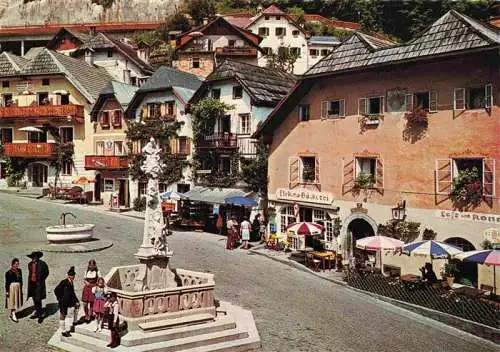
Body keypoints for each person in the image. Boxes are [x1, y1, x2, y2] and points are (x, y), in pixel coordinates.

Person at [54, 266, 80, 337]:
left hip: (68, 302)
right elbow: (56, 290)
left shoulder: (71, 282)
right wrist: (60, 299)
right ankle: (63, 331)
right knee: (63, 315)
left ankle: (72, 324)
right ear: (68, 275)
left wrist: (76, 300)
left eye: (73, 275)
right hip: (63, 302)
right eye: (71, 275)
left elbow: (72, 293)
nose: (72, 277)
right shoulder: (64, 282)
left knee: (73, 310)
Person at [26, 250, 49, 323]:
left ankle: (40, 314)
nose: (33, 258)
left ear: (38, 257)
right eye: (32, 257)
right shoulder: (29, 264)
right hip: (32, 284)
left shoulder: (42, 264)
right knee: (34, 298)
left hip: (39, 284)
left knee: (38, 299)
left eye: (35, 257)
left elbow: (46, 272)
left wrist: (41, 279)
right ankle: (37, 312)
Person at [5, 258, 23, 323]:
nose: (17, 265)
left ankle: (13, 313)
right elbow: (7, 283)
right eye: (16, 264)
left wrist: (21, 288)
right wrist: (7, 291)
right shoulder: (8, 272)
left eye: (18, 264)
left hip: (18, 287)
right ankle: (13, 314)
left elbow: (21, 280)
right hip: (12, 288)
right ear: (12, 264)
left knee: (16, 301)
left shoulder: (19, 271)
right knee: (12, 301)